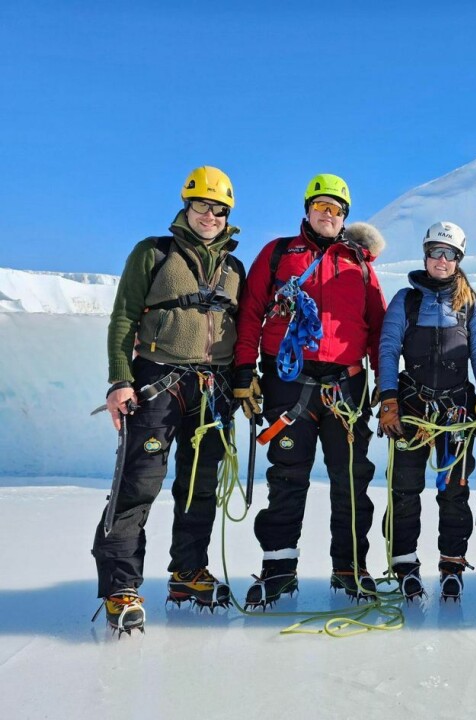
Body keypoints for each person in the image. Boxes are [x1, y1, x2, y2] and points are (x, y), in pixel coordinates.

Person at [91, 166, 244, 634]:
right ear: (186, 206)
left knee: (199, 486)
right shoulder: (153, 253)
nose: (210, 216)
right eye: (202, 206)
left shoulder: (235, 268)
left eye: (219, 209)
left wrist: (242, 382)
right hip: (158, 381)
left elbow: (242, 332)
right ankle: (121, 584)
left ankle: (188, 571)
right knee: (139, 483)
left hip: (212, 390)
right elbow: (123, 319)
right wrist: (119, 381)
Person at [233, 173, 387, 607]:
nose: (328, 214)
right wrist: (244, 372)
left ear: (345, 218)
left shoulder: (359, 263)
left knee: (352, 480)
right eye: (321, 206)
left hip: (346, 385)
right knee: (286, 478)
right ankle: (279, 570)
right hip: (289, 382)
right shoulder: (279, 253)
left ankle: (350, 568)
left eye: (336, 209)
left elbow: (378, 326)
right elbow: (249, 314)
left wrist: (385, 382)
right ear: (307, 209)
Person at [377, 222, 476, 602]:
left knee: (453, 492)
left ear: (458, 259)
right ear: (426, 254)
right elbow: (387, 348)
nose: (441, 260)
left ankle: (452, 564)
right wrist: (388, 399)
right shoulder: (405, 300)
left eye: (450, 254)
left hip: (455, 413)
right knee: (405, 490)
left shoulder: (470, 305)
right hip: (412, 408)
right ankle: (405, 565)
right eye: (436, 252)